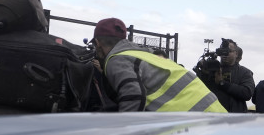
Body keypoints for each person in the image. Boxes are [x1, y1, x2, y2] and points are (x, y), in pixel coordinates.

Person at [92, 17, 225, 112]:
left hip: (193, 123)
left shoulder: (116, 59)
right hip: (216, 114)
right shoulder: (146, 54)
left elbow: (133, 96)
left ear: (97, 43)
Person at [210, 40, 255, 113]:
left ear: (236, 54)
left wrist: (222, 83)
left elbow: (247, 93)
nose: (225, 54)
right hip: (214, 117)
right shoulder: (212, 70)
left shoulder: (245, 72)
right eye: (223, 51)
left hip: (235, 120)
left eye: (229, 51)